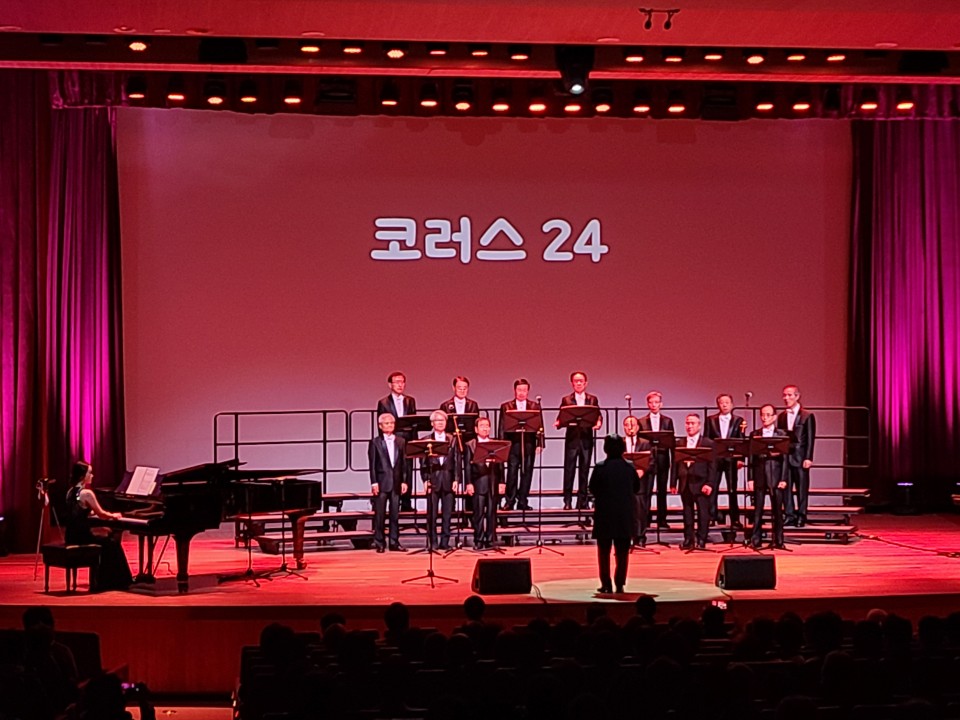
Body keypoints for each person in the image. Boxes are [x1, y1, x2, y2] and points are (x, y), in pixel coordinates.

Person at [64, 461, 133, 591]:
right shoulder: (87, 493)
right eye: (90, 473)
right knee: (112, 543)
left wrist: (89, 512)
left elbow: (78, 508)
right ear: (82, 476)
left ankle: (106, 580)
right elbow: (102, 514)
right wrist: (114, 515)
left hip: (71, 535)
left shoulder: (71, 492)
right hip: (83, 537)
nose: (92, 475)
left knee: (107, 539)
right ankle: (116, 582)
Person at [588, 435, 640, 594]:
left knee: (604, 552)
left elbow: (592, 488)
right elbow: (637, 488)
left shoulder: (600, 467)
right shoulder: (629, 467)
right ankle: (620, 583)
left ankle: (606, 584)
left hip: (604, 515)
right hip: (624, 515)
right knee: (622, 553)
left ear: (606, 448)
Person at [554, 371, 602, 510]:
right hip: (572, 439)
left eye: (581, 381)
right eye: (576, 381)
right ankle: (567, 501)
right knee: (569, 470)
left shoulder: (592, 399)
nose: (579, 383)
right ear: (572, 384)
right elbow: (561, 416)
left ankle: (583, 501)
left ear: (586, 383)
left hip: (586, 439)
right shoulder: (566, 400)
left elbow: (598, 415)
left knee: (584, 470)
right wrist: (558, 423)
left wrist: (599, 422)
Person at [670, 414, 717, 550]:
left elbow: (713, 466)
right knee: (687, 513)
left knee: (703, 513)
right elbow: (675, 464)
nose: (689, 426)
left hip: (701, 482)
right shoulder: (679, 443)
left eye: (693, 423)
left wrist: (710, 483)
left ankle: (701, 539)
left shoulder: (708, 443)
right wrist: (673, 483)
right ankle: (688, 539)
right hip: (685, 482)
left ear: (699, 425)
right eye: (687, 423)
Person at [497, 378, 543, 511]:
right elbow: (501, 427)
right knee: (512, 472)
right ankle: (510, 501)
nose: (522, 392)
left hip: (529, 443)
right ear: (514, 390)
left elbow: (540, 425)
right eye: (519, 390)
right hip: (512, 444)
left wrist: (540, 443)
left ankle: (523, 500)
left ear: (528, 391)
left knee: (527, 472)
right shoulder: (506, 406)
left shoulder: (534, 406)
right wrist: (502, 444)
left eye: (524, 390)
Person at [704, 393, 747, 528]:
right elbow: (707, 439)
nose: (724, 405)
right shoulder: (710, 420)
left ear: (732, 405)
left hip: (731, 459)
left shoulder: (738, 420)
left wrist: (741, 458)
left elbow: (741, 440)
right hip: (715, 459)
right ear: (718, 405)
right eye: (722, 403)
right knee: (713, 488)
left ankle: (735, 519)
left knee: (732, 489)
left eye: (727, 402)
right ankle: (711, 517)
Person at [376, 371, 418, 511]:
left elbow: (414, 423)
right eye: (397, 382)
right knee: (392, 469)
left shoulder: (410, 400)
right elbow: (381, 423)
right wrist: (382, 443)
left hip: (407, 440)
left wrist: (414, 443)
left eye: (402, 382)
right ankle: (392, 502)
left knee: (408, 470)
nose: (400, 385)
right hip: (391, 440)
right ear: (390, 385)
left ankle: (406, 503)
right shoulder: (383, 402)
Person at [749, 404, 789, 549]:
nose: (764, 418)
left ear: (774, 417)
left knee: (777, 510)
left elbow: (785, 458)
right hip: (759, 475)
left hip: (776, 475)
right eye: (762, 415)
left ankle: (778, 540)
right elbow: (751, 458)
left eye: (768, 415)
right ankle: (756, 539)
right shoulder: (755, 434)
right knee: (758, 509)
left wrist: (784, 479)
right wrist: (750, 478)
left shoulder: (781, 434)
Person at [368, 413, 409, 553]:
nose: (390, 425)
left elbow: (404, 464)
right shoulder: (375, 442)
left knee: (394, 515)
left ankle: (394, 542)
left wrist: (404, 481)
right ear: (380, 426)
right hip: (382, 482)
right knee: (380, 515)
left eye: (392, 423)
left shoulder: (401, 441)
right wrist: (374, 482)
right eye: (387, 423)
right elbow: (372, 464)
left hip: (396, 483)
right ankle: (379, 542)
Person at [777, 385, 817, 527]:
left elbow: (811, 438)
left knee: (801, 487)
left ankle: (801, 515)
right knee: (786, 487)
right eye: (784, 395)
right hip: (786, 457)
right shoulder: (781, 416)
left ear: (797, 396)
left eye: (789, 395)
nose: (786, 398)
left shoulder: (807, 415)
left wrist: (808, 457)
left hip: (800, 457)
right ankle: (789, 514)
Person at [421, 410, 461, 550]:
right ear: (432, 423)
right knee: (432, 515)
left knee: (447, 514)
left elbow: (457, 460)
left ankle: (445, 542)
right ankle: (433, 542)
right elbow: (423, 464)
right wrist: (425, 480)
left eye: (442, 420)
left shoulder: (452, 439)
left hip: (448, 479)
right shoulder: (426, 440)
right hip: (433, 480)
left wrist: (456, 479)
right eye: (437, 421)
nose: (440, 423)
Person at [465, 417, 506, 549]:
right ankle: (479, 540)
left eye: (487, 426)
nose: (485, 428)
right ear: (476, 429)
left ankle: (490, 540)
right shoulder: (470, 444)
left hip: (493, 481)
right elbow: (467, 466)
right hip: (478, 482)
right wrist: (468, 483)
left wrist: (502, 482)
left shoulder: (495, 443)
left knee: (492, 512)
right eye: (482, 426)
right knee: (478, 513)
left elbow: (501, 464)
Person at [638, 391, 674, 528]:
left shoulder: (668, 421)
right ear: (647, 404)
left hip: (663, 457)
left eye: (656, 402)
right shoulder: (641, 421)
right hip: (648, 459)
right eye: (651, 402)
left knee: (662, 490)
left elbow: (671, 441)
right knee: (647, 490)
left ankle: (662, 519)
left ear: (661, 404)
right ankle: (645, 518)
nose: (654, 405)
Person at [622, 415, 653, 547]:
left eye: (633, 425)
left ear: (638, 427)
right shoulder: (619, 443)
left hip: (640, 482)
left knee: (640, 511)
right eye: (627, 425)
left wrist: (642, 471)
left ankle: (640, 537)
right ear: (624, 427)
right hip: (623, 482)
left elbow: (651, 461)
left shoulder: (645, 443)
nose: (630, 428)